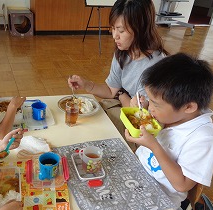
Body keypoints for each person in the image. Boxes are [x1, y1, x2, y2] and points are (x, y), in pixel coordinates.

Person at [104, 53, 213, 210]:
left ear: (189, 107)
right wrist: (141, 107)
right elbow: (154, 115)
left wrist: (154, 146)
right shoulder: (173, 115)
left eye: (155, 104)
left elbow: (181, 185)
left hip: (158, 201)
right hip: (134, 175)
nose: (150, 109)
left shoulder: (203, 139)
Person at [68, 0, 168, 145]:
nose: (115, 36)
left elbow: (141, 115)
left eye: (121, 31)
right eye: (113, 28)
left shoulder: (155, 66)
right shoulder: (123, 54)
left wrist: (121, 95)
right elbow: (110, 91)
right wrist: (86, 84)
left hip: (143, 130)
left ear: (140, 28)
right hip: (128, 113)